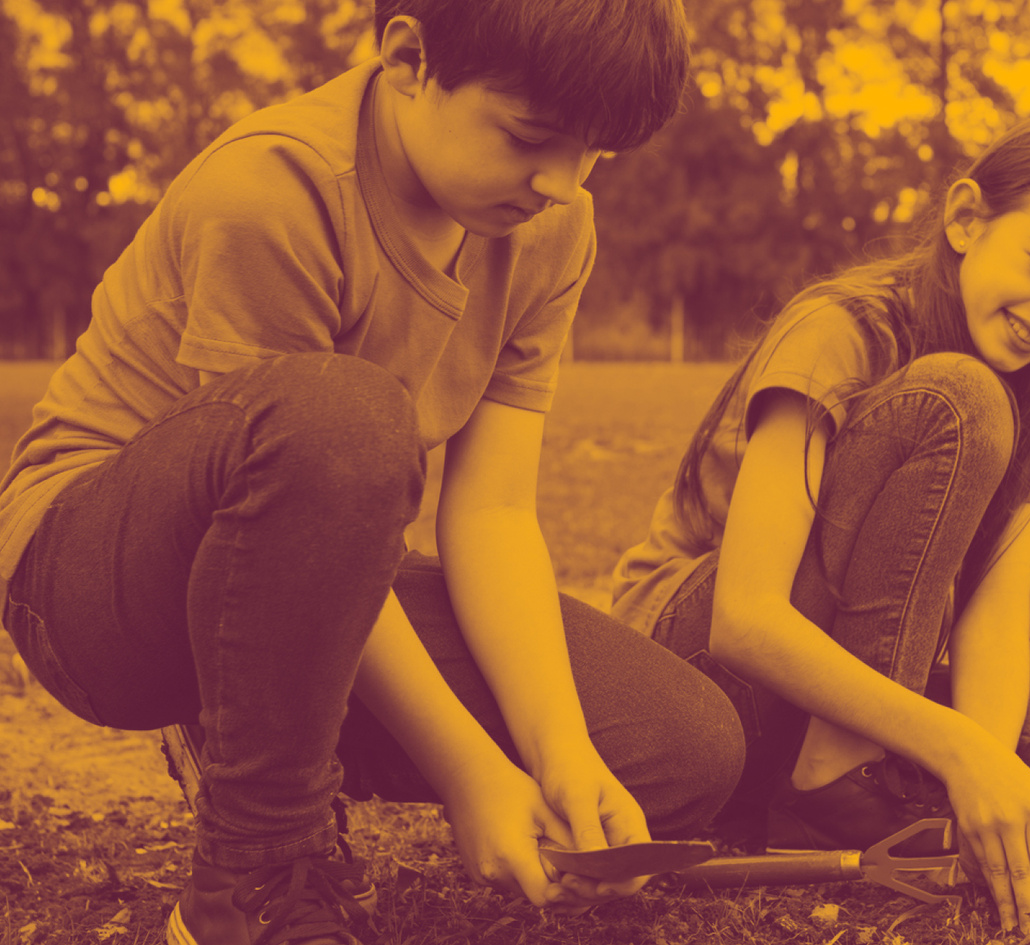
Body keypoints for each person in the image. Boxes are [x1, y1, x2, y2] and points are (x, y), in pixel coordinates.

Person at [0, 3, 745, 944]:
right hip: (93, 589)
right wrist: (471, 769)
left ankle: (254, 729)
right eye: (530, 137)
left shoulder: (554, 228)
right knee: (346, 413)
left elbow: (495, 512)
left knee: (679, 745)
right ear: (407, 57)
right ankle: (252, 874)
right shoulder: (273, 189)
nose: (560, 183)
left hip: (313, 568)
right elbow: (319, 447)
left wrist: (558, 755)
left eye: (595, 153)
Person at [607, 114, 1030, 941]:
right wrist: (959, 753)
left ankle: (821, 791)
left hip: (849, 681)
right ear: (967, 217)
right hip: (696, 674)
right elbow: (745, 619)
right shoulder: (843, 327)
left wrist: (988, 769)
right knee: (958, 398)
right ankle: (835, 779)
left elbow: (997, 626)